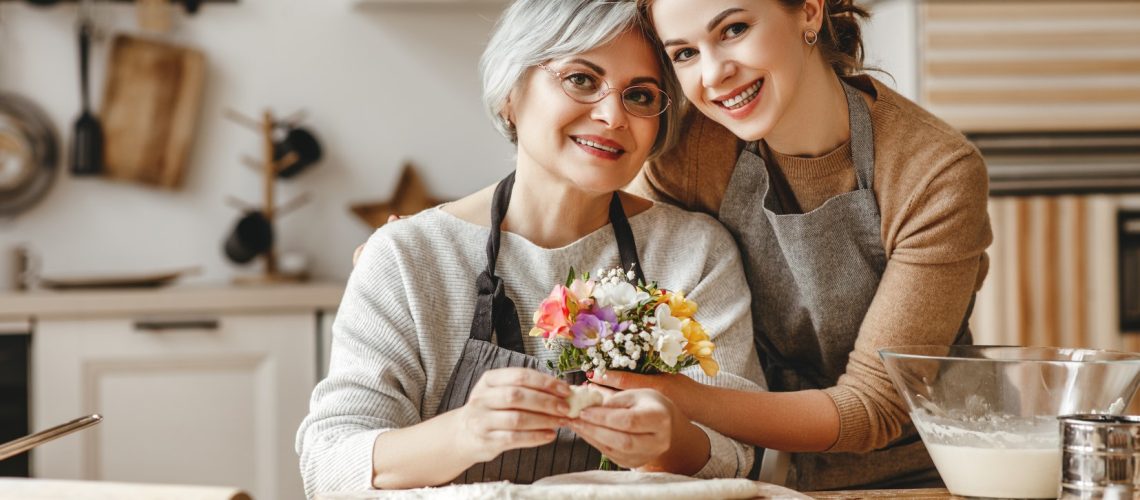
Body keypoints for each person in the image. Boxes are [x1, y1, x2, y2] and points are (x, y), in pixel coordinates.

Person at [296, 0, 765, 496]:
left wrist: (668, 443)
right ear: (510, 95)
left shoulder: (694, 252)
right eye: (582, 79)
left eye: (641, 95)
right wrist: (467, 431)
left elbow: (740, 452)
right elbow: (329, 466)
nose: (612, 115)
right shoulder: (408, 256)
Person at [588, 0, 993, 491]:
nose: (714, 74)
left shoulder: (933, 173)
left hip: (928, 472)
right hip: (755, 471)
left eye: (734, 29)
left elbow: (874, 406)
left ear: (809, 11)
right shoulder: (691, 152)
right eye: (685, 53)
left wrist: (677, 395)